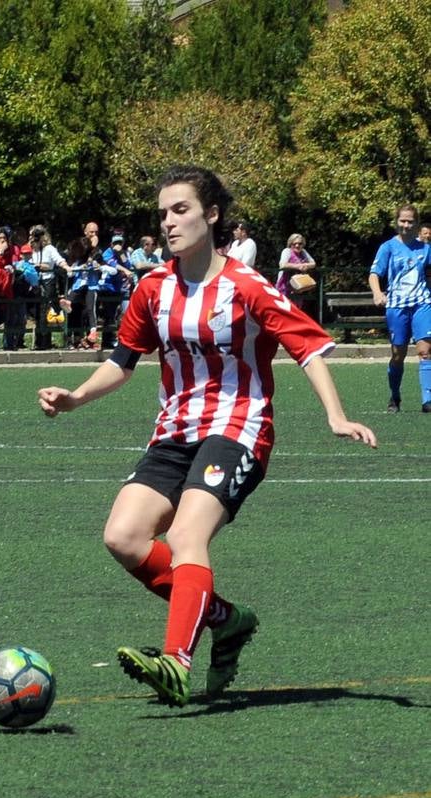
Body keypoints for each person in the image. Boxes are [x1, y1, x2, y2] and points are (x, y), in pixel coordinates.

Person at [38, 165, 376, 707]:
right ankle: (227, 619)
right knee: (122, 537)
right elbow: (124, 360)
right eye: (164, 213)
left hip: (238, 429)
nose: (169, 223)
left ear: (211, 215)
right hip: (174, 433)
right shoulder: (153, 287)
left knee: (184, 538)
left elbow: (307, 349)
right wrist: (75, 396)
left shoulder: (246, 286)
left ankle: (177, 662)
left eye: (181, 210)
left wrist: (335, 416)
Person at [368, 204, 431, 413]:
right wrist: (378, 293)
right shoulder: (388, 247)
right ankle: (395, 397)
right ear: (397, 222)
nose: (406, 225)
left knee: (425, 351)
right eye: (402, 221)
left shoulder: (425, 248)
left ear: (416, 223)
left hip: (422, 303)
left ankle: (427, 400)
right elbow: (374, 274)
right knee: (398, 354)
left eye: (410, 221)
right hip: (396, 306)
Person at [24, 226, 69, 350]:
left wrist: (66, 267)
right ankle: (39, 341)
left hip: (48, 281)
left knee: (44, 311)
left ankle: (44, 342)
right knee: (36, 312)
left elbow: (58, 260)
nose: (32, 238)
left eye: (34, 235)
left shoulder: (49, 249)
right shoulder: (33, 250)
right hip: (35, 282)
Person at [275, 233, 317, 310]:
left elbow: (313, 263)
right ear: (290, 244)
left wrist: (306, 266)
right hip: (285, 286)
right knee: (285, 308)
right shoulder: (287, 251)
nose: (297, 246)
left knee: (297, 309)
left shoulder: (303, 252)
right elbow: (282, 264)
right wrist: (298, 266)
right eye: (294, 244)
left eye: (300, 244)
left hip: (298, 287)